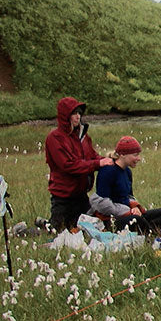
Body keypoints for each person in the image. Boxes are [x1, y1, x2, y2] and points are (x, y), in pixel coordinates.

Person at [43, 97, 113, 232]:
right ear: (65, 116)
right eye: (74, 113)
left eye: (79, 113)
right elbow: (69, 165)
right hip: (63, 197)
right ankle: (25, 230)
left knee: (89, 228)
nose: (78, 117)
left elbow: (93, 156)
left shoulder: (83, 137)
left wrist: (109, 160)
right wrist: (98, 163)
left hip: (80, 195)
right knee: (57, 230)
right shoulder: (55, 138)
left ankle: (44, 223)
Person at [89, 136, 161, 235]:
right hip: (111, 220)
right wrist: (128, 211)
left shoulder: (127, 171)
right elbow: (102, 204)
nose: (138, 158)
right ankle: (151, 232)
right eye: (135, 155)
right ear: (123, 155)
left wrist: (135, 206)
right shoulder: (107, 171)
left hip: (129, 214)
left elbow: (128, 196)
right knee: (136, 220)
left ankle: (147, 230)